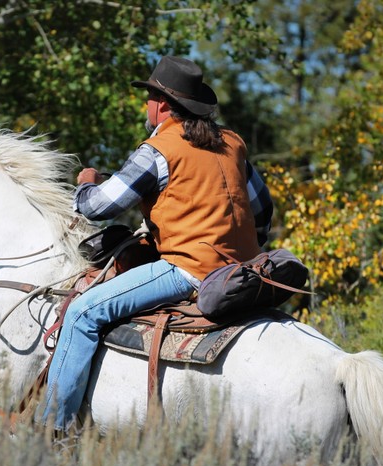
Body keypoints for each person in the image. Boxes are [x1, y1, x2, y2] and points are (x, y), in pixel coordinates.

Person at [40, 55, 274, 430]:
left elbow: (99, 208)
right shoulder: (233, 143)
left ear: (162, 105)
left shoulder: (159, 149)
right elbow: (263, 212)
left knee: (83, 313)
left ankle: (52, 429)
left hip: (190, 271)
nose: (145, 104)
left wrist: (84, 184)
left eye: (148, 96)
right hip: (244, 270)